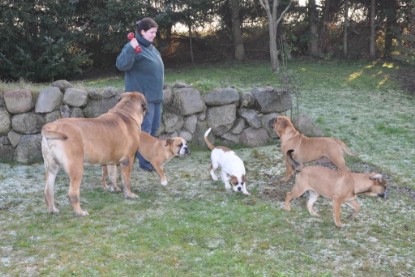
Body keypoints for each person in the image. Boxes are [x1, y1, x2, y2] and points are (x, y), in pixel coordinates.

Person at [116, 17, 164, 172]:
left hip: (155, 97)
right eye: (151, 32)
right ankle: (144, 162)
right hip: (143, 100)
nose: (154, 35)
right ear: (142, 32)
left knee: (154, 128)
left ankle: (148, 157)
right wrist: (130, 48)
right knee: (144, 131)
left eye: (155, 32)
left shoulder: (151, 48)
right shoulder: (133, 47)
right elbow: (121, 65)